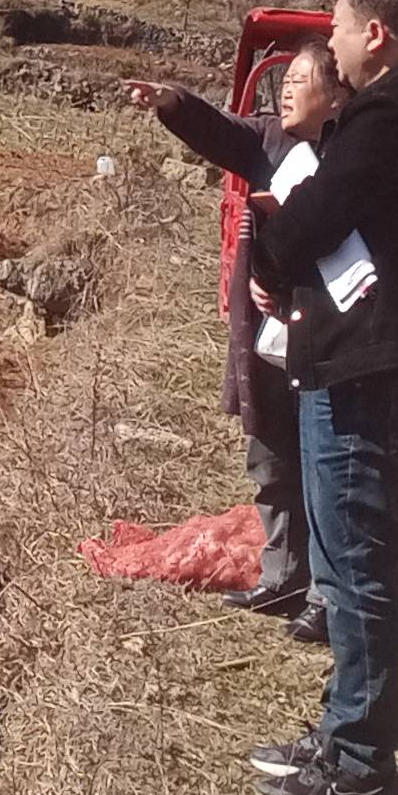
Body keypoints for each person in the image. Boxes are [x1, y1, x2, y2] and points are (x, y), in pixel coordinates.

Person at [235, 0, 398, 795]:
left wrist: (270, 242)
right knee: (348, 563)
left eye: (338, 30)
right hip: (378, 364)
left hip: (376, 374)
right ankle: (343, 731)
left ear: (375, 33)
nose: (329, 48)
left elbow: (312, 217)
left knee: (363, 565)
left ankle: (364, 764)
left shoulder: (396, 111)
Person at [124, 36, 340, 638]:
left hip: (326, 332)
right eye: (287, 79)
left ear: (338, 90)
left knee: (321, 462)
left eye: (303, 79)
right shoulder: (273, 141)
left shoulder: (354, 156)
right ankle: (282, 575)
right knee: (270, 455)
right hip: (269, 334)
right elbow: (221, 133)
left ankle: (325, 595)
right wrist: (173, 102)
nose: (288, 88)